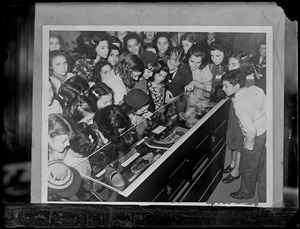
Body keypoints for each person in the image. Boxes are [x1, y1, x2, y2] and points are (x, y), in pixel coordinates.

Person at [221, 69, 266, 202]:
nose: (223, 89)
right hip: (264, 128)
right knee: (259, 162)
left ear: (237, 86)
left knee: (247, 166)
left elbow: (250, 130)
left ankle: (246, 193)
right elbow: (265, 105)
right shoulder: (254, 88)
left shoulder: (238, 104)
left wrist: (248, 145)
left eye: (226, 86)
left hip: (255, 135)